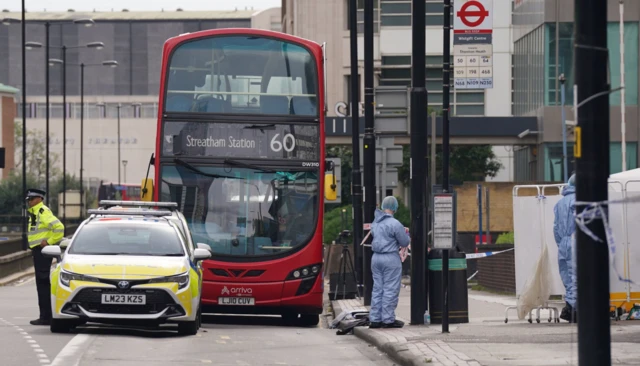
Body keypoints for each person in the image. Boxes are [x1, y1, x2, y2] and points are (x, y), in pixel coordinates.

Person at [369, 196, 411, 329]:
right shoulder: (395, 224)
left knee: (377, 288)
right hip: (390, 258)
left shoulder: (375, 223)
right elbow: (404, 242)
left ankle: (375, 319)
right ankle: (388, 319)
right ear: (395, 208)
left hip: (376, 258)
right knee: (390, 289)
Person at [26, 188, 65, 326]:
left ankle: (46, 317)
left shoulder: (43, 211)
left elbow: (59, 228)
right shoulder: (36, 212)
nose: (29, 202)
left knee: (42, 284)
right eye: (28, 199)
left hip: (42, 251)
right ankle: (46, 315)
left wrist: (48, 242)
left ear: (38, 199)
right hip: (38, 251)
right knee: (42, 284)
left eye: (31, 199)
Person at [553, 174, 577, 323]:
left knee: (568, 278)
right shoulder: (581, 201)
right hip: (577, 241)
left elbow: (555, 228)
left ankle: (571, 308)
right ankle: (575, 310)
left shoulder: (560, 203)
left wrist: (561, 243)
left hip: (564, 244)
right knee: (577, 277)